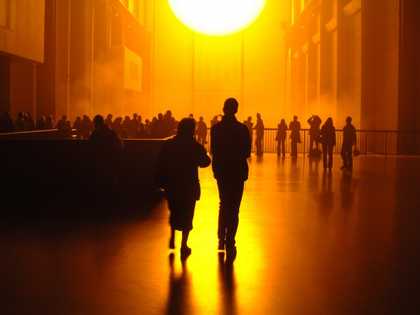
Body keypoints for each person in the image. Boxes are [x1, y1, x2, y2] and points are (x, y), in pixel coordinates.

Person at [157, 118, 211, 257]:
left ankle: (172, 237)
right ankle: (184, 244)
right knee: (188, 214)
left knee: (174, 211)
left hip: (172, 184)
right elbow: (205, 162)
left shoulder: (169, 144)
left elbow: (161, 163)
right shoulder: (194, 146)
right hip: (189, 184)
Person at [211, 98, 251, 261]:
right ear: (236, 109)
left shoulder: (216, 129)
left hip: (222, 170)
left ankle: (221, 237)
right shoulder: (242, 129)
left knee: (224, 202)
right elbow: (247, 151)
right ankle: (230, 240)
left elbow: (214, 150)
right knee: (234, 207)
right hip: (237, 171)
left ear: (224, 108)